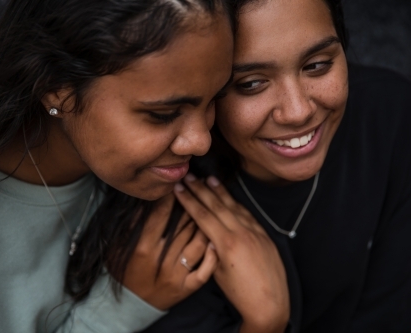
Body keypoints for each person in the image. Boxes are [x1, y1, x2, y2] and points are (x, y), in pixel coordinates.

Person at [0, 0, 238, 332]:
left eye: (215, 99)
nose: (201, 141)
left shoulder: (181, 182)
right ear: (56, 89)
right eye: (162, 115)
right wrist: (120, 308)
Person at [139, 0, 411, 332]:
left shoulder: (390, 118)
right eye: (251, 84)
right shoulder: (166, 189)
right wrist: (265, 322)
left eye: (317, 65)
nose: (297, 112)